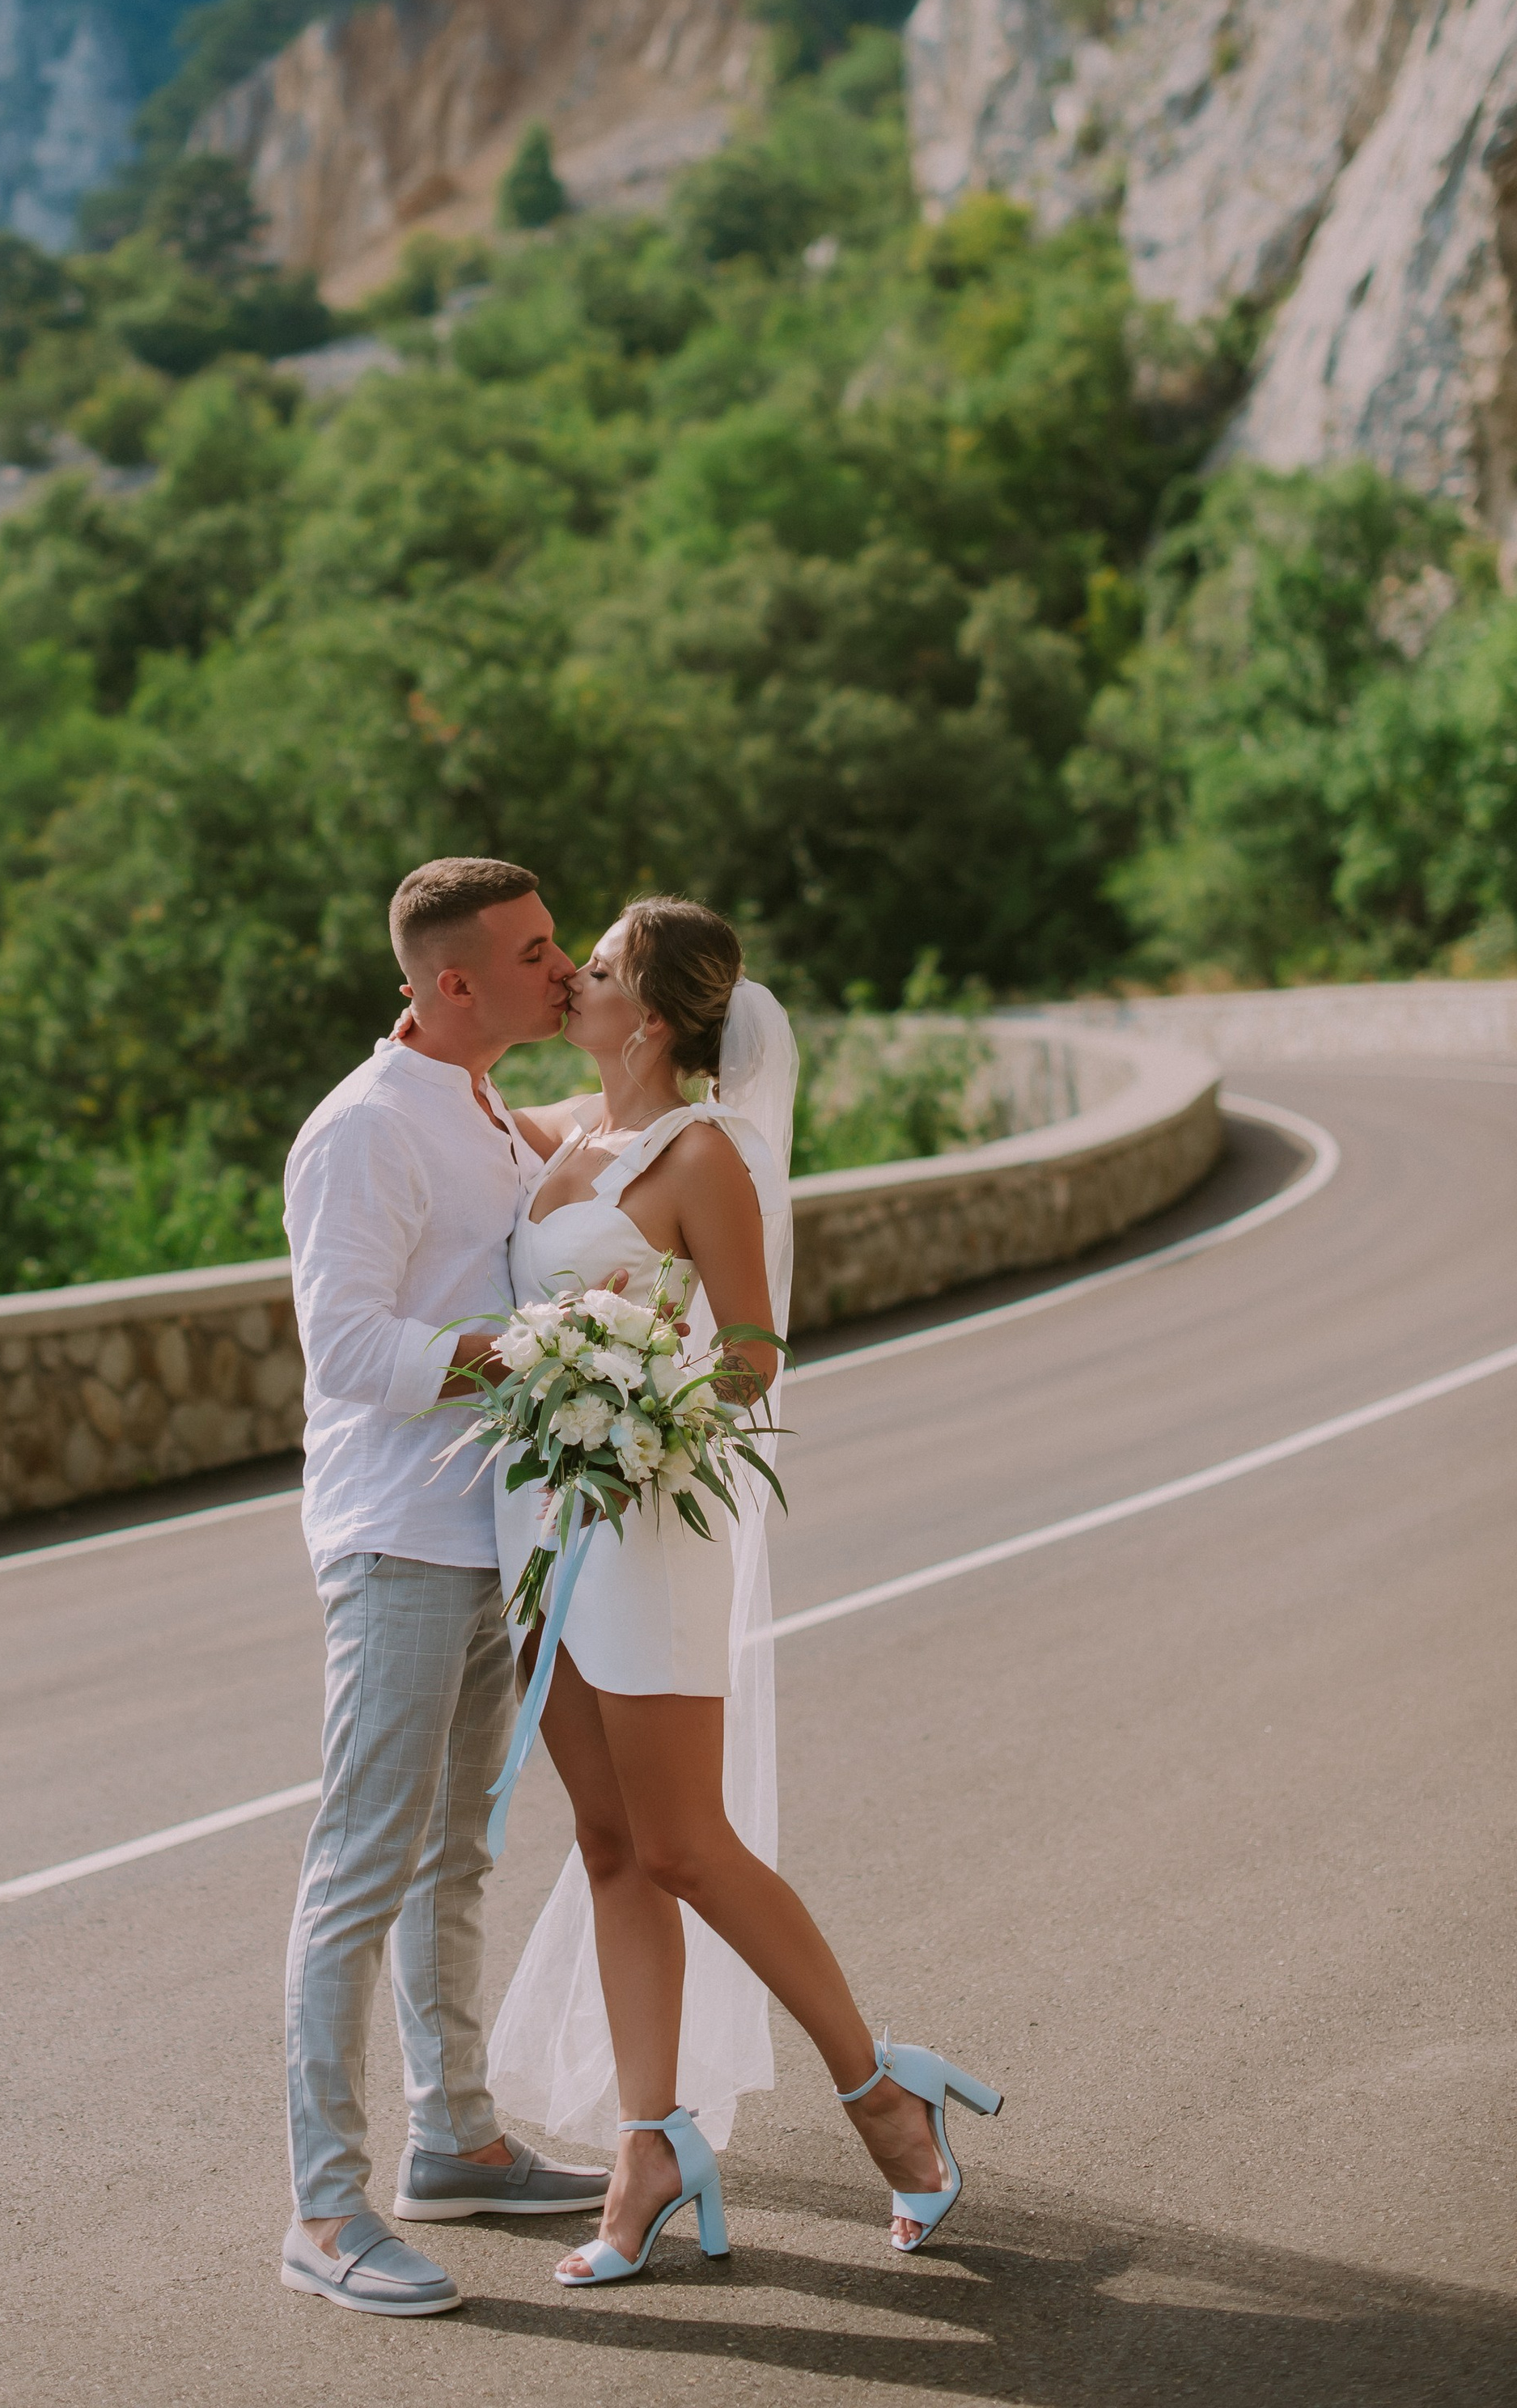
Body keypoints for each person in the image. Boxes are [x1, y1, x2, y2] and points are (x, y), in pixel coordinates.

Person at [486, 896, 1002, 2283]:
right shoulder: (560, 1134)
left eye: (591, 970)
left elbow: (757, 1353)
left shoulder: (699, 1155)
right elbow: (455, 1097)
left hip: (647, 1515)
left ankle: (879, 2095)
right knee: (606, 1844)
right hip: (541, 1521)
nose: (573, 983)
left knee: (684, 1843)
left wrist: (622, 1411)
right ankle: (650, 2146)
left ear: (649, 1018)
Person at [278, 857, 613, 2319]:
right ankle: (323, 2212)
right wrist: (536, 1359)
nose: (564, 969)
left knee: (451, 1858)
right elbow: (345, 1349)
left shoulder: (477, 1101)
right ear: (450, 980)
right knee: (361, 1869)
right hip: (396, 1537)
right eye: (538, 953)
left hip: (493, 1534)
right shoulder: (360, 1132)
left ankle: (456, 2139)